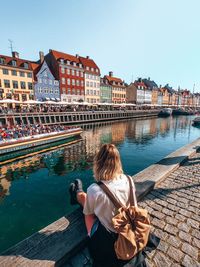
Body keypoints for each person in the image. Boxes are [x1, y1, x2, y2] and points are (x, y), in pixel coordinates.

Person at [69, 144, 158, 267]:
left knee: (87, 204)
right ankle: (78, 192)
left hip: (110, 238)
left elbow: (88, 216)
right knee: (92, 201)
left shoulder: (95, 189)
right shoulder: (128, 179)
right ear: (118, 162)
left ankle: (77, 192)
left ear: (98, 163)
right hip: (131, 228)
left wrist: (91, 234)